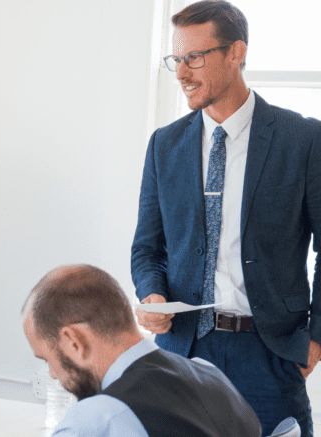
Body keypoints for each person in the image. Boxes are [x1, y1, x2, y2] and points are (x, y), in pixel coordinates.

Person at [131, 1, 321, 434]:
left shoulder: (304, 140)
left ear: (236, 53)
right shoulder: (165, 145)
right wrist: (153, 295)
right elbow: (147, 248)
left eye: (194, 58)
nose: (181, 73)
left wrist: (315, 341)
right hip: (184, 350)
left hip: (270, 354)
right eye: (176, 60)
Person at [23, 264, 261, 436]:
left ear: (73, 341)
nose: (53, 374)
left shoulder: (97, 419)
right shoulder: (212, 376)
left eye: (47, 359)